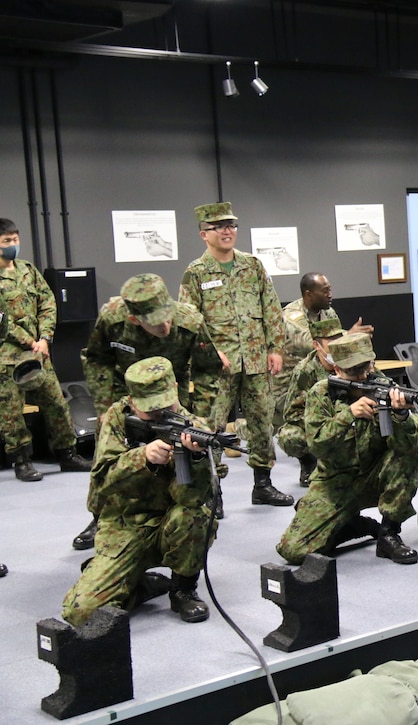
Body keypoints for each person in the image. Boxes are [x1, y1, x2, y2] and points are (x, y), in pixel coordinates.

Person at [74, 273, 228, 551]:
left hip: (171, 393)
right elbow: (97, 360)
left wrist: (202, 416)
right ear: (134, 319)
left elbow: (209, 368)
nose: (166, 326)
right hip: (126, 393)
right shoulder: (112, 318)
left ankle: (207, 494)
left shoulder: (190, 319)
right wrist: (105, 407)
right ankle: (100, 515)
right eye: (157, 323)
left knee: (192, 447)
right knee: (107, 454)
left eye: (168, 316)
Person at [61, 357, 217, 626]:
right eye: (151, 409)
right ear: (132, 402)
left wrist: (196, 459)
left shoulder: (194, 428)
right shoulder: (116, 419)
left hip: (169, 525)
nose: (160, 414)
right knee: (80, 613)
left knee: (196, 516)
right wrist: (142, 456)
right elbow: (102, 481)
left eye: (166, 406)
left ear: (177, 389)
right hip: (123, 527)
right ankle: (138, 586)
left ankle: (183, 589)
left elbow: (192, 500)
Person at [276, 332, 418, 565]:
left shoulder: (385, 386)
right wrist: (349, 415)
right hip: (334, 483)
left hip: (375, 477)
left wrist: (401, 416)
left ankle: (388, 534)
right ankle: (354, 525)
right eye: (353, 371)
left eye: (365, 368)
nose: (362, 376)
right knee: (293, 551)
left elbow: (415, 443)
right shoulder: (321, 393)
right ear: (337, 370)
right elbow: (316, 445)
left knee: (405, 457)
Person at [178, 202, 294, 510]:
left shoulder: (252, 266)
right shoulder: (196, 273)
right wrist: (212, 351)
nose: (228, 231)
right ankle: (212, 489)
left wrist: (276, 348)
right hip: (218, 367)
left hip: (256, 359)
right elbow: (189, 320)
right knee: (211, 426)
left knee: (262, 422)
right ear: (205, 234)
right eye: (220, 227)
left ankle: (263, 483)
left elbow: (271, 308)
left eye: (231, 226)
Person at [0, 217, 92, 481]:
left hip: (39, 354)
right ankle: (21, 461)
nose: (13, 245)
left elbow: (48, 302)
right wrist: (29, 340)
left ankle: (68, 454)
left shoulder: (27, 270)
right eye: (7, 241)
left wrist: (45, 337)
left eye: (15, 240)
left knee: (56, 404)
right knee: (11, 413)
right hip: (7, 357)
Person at [273, 272, 372, 422]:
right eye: (325, 291)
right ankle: (237, 428)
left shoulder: (328, 312)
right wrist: (349, 335)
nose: (330, 295)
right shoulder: (291, 317)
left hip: (317, 375)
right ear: (309, 294)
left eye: (330, 290)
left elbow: (335, 341)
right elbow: (309, 343)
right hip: (289, 384)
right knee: (277, 427)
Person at [276, 316, 345, 487]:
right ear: (317, 345)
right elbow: (292, 413)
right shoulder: (305, 370)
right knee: (289, 436)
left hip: (351, 419)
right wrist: (321, 422)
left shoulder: (351, 360)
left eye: (339, 341)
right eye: (331, 343)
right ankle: (309, 463)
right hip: (318, 422)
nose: (336, 347)